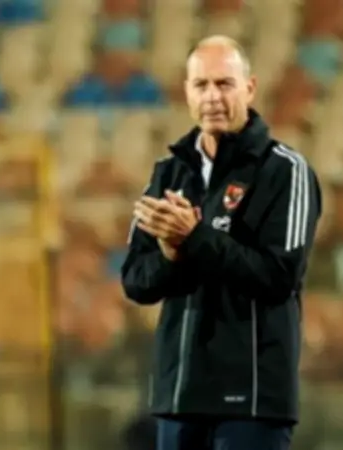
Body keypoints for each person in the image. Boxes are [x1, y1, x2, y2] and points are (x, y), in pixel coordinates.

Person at [120, 36, 323, 450]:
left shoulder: (286, 171)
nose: (212, 96)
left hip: (251, 400)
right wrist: (170, 255)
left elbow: (279, 276)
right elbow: (135, 280)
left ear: (250, 88)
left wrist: (195, 238)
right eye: (202, 85)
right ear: (187, 92)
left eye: (224, 84)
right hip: (179, 396)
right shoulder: (168, 174)